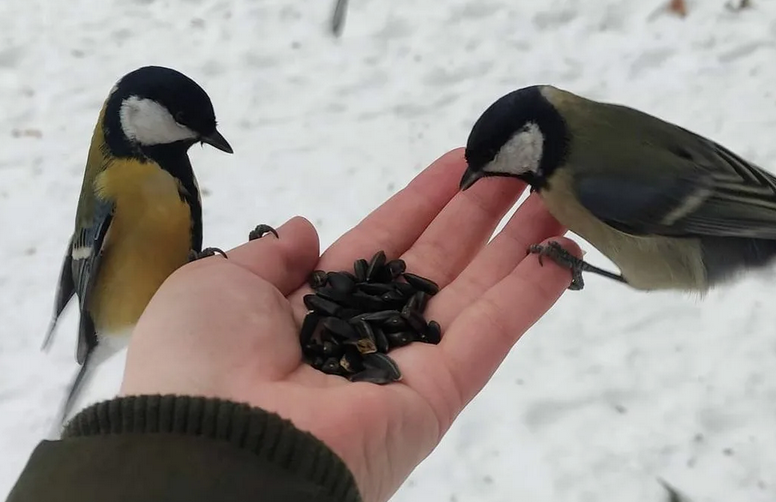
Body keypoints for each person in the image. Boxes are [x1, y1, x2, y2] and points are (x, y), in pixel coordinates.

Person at [6, 148, 579, 502]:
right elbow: (85, 257)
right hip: (117, 311)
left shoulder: (163, 177)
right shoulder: (113, 185)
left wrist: (188, 439)